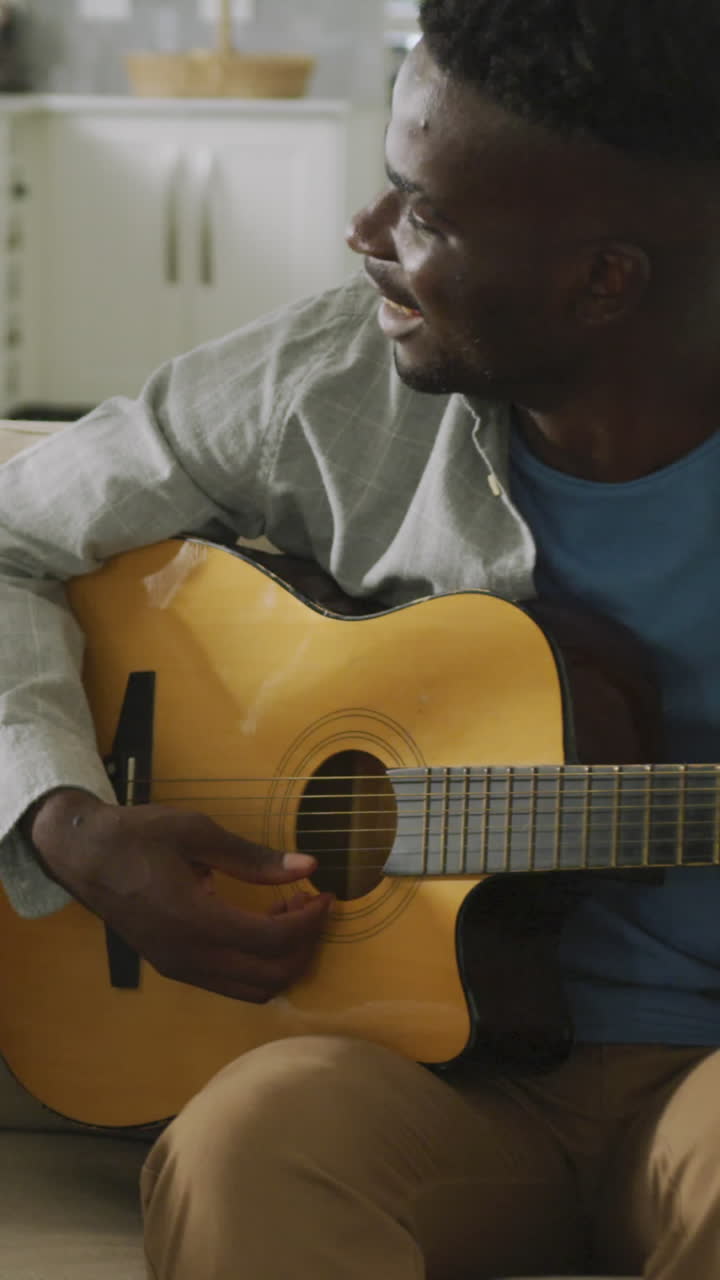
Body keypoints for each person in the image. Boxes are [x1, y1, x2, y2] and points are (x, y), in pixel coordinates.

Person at [2, 0, 720, 1275]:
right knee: (246, 1149)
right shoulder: (331, 376)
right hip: (424, 1078)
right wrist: (69, 822)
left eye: (425, 214)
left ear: (605, 280)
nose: (364, 233)